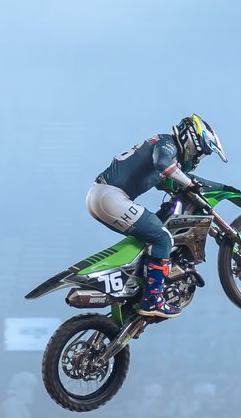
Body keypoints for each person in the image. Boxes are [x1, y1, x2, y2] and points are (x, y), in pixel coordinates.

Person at [86, 114, 224, 320]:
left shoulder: (161, 146)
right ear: (192, 141)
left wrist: (194, 185)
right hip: (110, 196)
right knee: (163, 238)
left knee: (150, 237)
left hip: (101, 195)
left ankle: (137, 286)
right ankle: (152, 300)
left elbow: (164, 179)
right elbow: (163, 164)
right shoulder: (166, 144)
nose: (197, 159)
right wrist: (189, 183)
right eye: (201, 153)